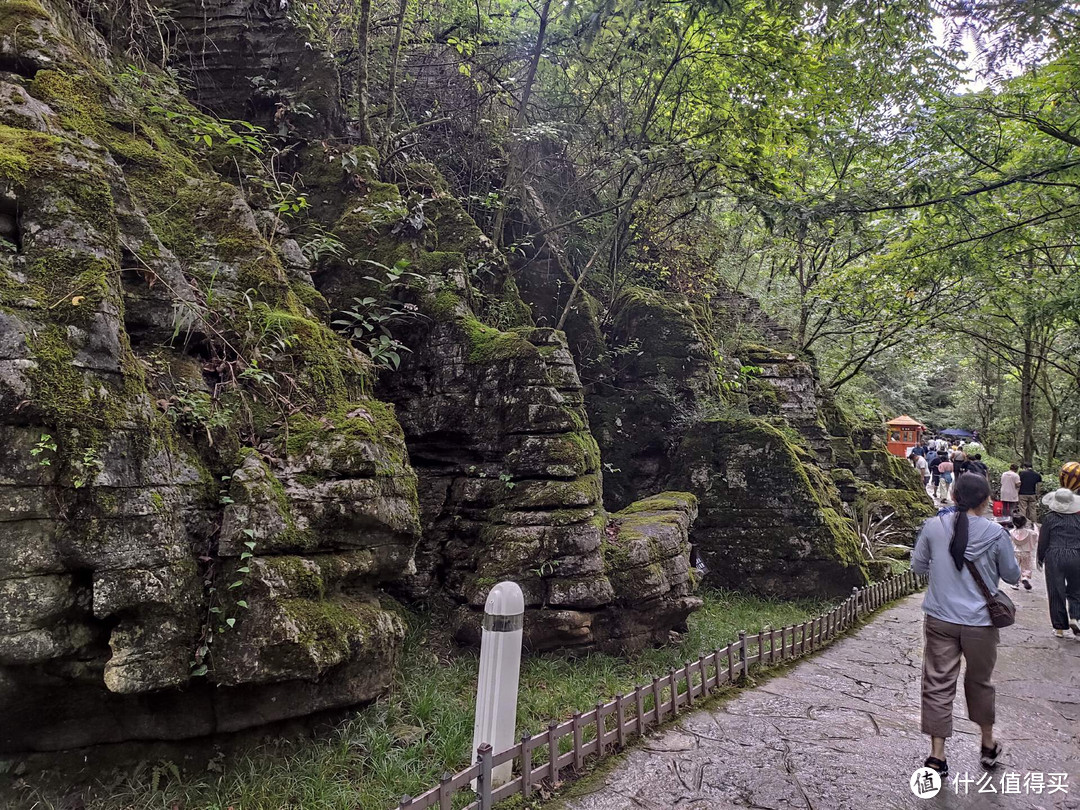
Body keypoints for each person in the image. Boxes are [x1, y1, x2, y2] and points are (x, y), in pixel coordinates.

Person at [912, 473, 1020, 778]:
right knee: (980, 682)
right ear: (986, 501)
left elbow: (918, 565)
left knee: (937, 682)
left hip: (940, 619)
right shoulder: (997, 535)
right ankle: (987, 744)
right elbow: (1012, 576)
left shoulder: (934, 527)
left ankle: (937, 755)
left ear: (955, 497)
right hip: (981, 624)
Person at [1037, 483, 1080, 639]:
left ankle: (1059, 628)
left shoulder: (1049, 518)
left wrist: (1040, 558)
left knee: (1056, 591)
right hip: (1076, 555)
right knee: (1077, 589)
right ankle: (1076, 617)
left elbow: (1043, 541)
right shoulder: (1078, 518)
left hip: (1054, 555)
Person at [1009, 514, 1036, 591]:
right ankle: (1025, 578)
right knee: (1026, 567)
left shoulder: (1011, 532)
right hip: (1026, 552)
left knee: (1015, 567)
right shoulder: (1029, 532)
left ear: (1014, 523)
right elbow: (1036, 535)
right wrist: (1035, 526)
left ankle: (1015, 583)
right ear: (1025, 523)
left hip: (1015, 552)